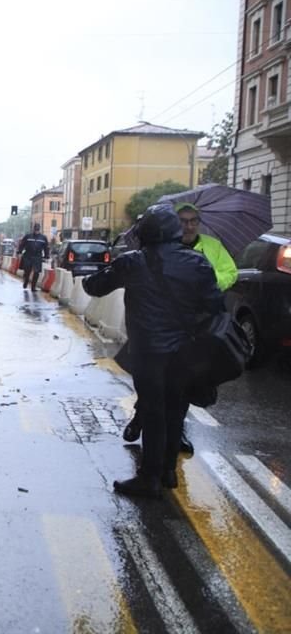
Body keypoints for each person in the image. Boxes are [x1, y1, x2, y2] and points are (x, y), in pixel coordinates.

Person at [85, 205, 223, 498]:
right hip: (185, 350)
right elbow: (215, 307)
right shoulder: (197, 262)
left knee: (153, 410)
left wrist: (105, 270)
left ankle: (149, 477)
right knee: (176, 410)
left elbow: (94, 287)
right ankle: (168, 471)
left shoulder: (133, 262)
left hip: (148, 351)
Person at [121, 202, 239, 452]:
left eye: (193, 221)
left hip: (195, 326)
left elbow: (230, 272)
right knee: (151, 381)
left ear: (199, 222)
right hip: (159, 323)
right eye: (183, 221)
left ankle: (176, 435)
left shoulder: (211, 247)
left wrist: (208, 281)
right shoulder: (156, 249)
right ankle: (141, 418)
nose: (188, 226)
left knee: (182, 385)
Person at [17, 223, 49, 291]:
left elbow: (46, 247)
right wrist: (19, 251)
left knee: (36, 272)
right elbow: (22, 244)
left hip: (37, 256)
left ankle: (33, 287)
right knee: (27, 270)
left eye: (37, 229)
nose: (36, 231)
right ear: (33, 229)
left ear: (39, 229)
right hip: (28, 255)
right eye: (35, 229)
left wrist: (47, 256)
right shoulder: (28, 236)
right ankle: (26, 281)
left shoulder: (43, 238)